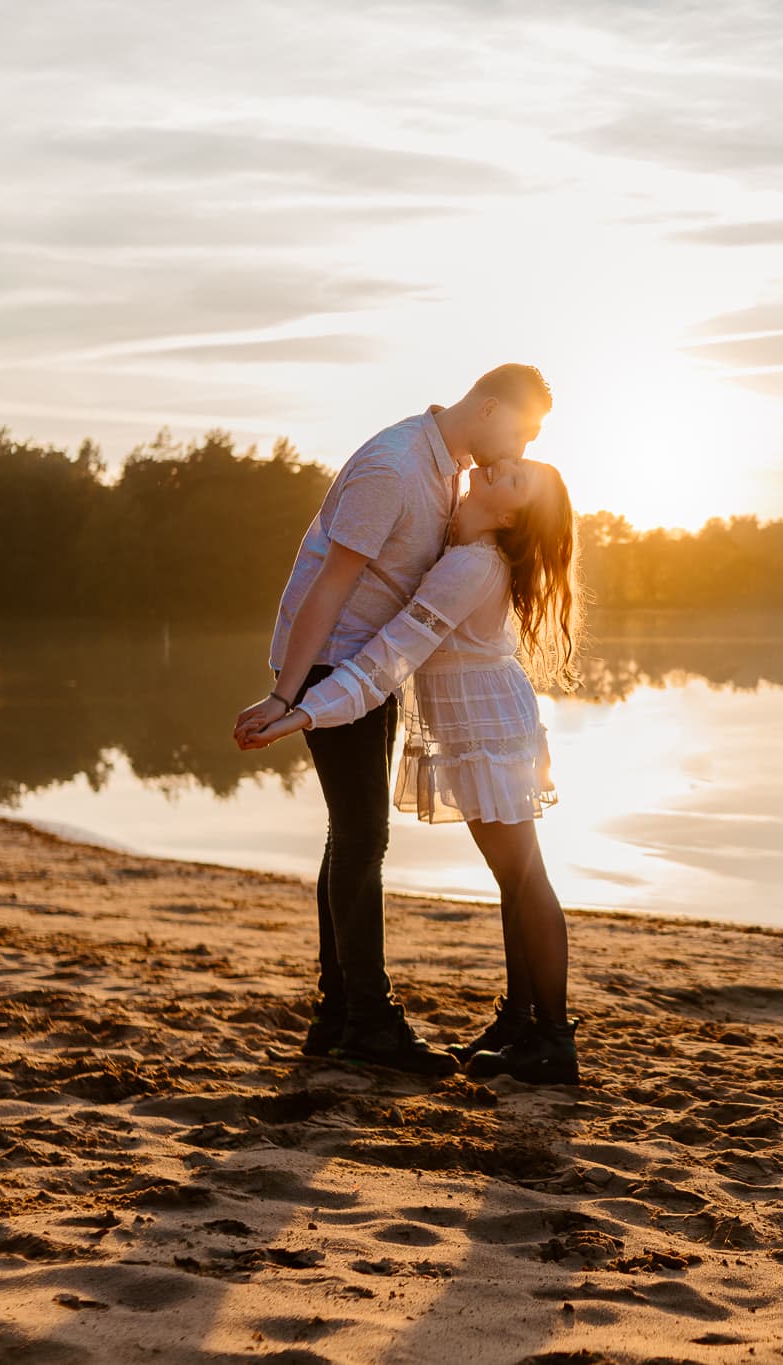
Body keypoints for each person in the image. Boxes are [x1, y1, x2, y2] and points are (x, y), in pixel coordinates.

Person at [232, 365, 552, 1076]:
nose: (519, 450)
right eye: (522, 432)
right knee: (361, 834)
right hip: (331, 662)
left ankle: (338, 1014)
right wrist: (288, 696)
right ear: (491, 408)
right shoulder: (396, 466)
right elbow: (331, 581)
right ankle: (367, 1021)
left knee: (349, 834)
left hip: (365, 666)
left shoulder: (445, 470)